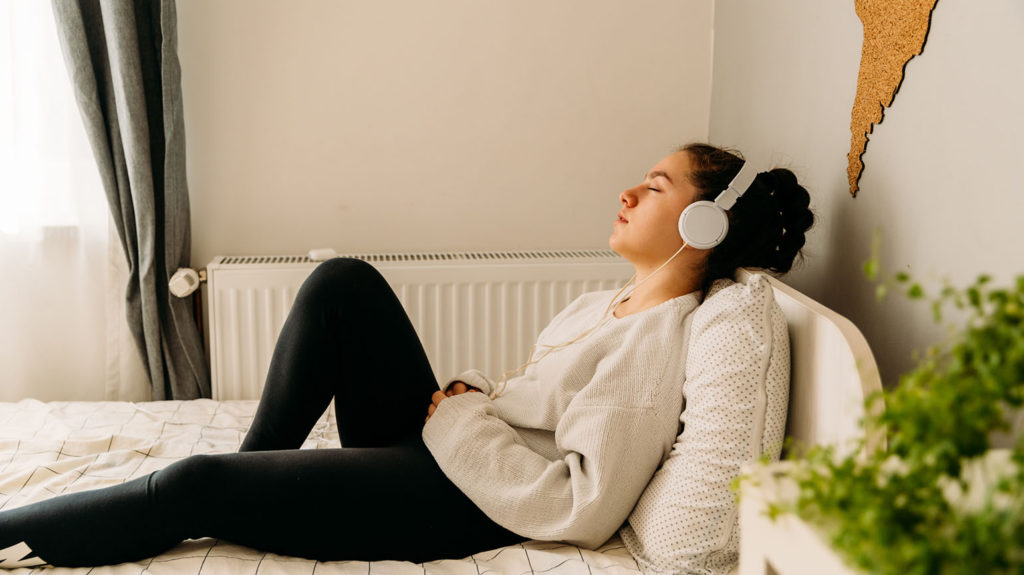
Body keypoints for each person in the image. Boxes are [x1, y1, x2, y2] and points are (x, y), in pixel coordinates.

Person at [0, 143, 813, 569]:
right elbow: (536, 403)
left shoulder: (663, 338)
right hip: (454, 457)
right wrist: (477, 394)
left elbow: (583, 501)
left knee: (192, 484)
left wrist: (461, 414)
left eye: (657, 186)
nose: (630, 193)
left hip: (466, 503)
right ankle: (259, 478)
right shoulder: (607, 303)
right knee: (341, 283)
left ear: (704, 226)